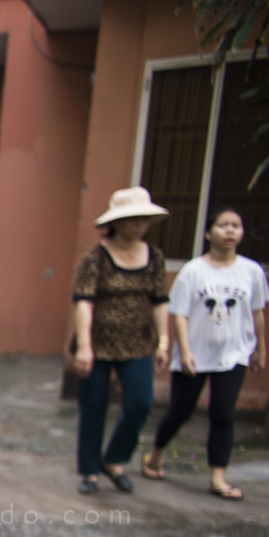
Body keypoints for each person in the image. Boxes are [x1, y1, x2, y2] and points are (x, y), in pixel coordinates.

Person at [143, 206, 269, 499]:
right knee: (180, 411)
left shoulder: (252, 271)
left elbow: (258, 312)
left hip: (234, 354)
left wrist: (260, 349)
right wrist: (185, 350)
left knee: (223, 413)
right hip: (195, 354)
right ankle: (156, 453)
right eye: (223, 225)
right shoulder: (193, 271)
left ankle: (218, 477)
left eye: (236, 225)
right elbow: (180, 313)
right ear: (209, 233)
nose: (230, 230)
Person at [71, 186, 174, 495]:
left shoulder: (154, 257)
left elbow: (159, 301)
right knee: (94, 406)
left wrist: (163, 341)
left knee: (141, 403)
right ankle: (90, 470)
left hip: (137, 343)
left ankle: (114, 460)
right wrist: (84, 347)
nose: (140, 224)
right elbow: (83, 302)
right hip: (97, 343)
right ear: (116, 222)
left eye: (144, 219)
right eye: (133, 219)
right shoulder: (96, 258)